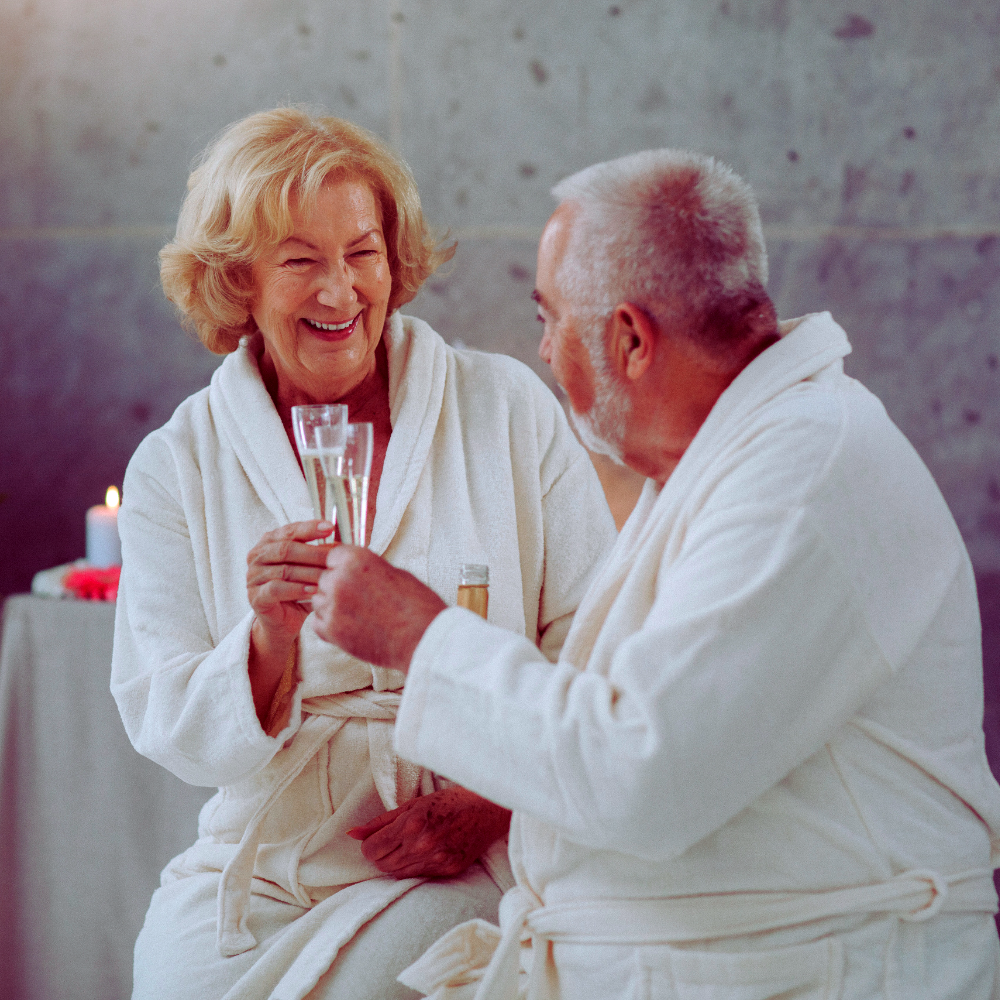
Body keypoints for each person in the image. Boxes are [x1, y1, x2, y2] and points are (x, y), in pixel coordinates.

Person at [312, 149, 1000, 999]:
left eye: (551, 318)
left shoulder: (803, 474)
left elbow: (640, 773)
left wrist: (422, 638)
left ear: (629, 339)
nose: (543, 350)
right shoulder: (731, 461)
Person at [110, 107, 616, 1000]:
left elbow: (602, 643)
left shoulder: (502, 408)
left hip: (467, 847)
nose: (341, 291)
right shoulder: (177, 463)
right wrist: (265, 642)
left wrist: (494, 800)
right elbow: (165, 713)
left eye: (363, 253)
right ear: (238, 281)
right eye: (301, 260)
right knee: (169, 980)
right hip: (268, 860)